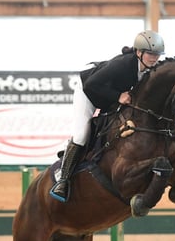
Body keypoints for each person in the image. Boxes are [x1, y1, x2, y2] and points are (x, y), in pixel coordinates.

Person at [49, 29, 166, 202]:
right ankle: (63, 180)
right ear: (139, 52)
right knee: (82, 134)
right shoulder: (123, 65)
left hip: (109, 98)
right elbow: (91, 85)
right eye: (150, 53)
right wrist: (118, 96)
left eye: (157, 54)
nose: (154, 58)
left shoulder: (150, 69)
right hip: (88, 93)